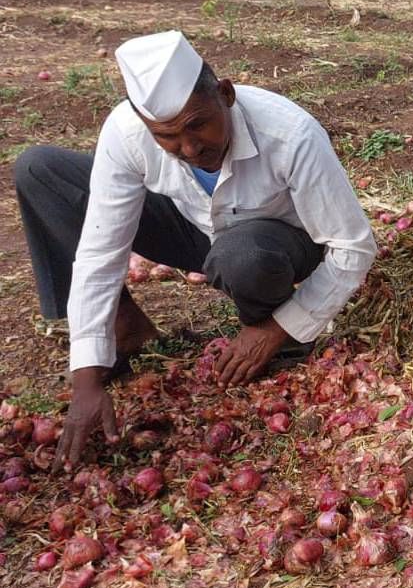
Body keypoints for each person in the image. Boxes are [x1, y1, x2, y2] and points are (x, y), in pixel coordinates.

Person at [13, 30, 377, 470]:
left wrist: (278, 327)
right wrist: (86, 378)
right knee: (41, 171)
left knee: (242, 255)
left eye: (197, 125)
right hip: (195, 229)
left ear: (225, 94)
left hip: (278, 245)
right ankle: (124, 327)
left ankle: (269, 328)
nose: (188, 148)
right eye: (167, 137)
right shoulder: (128, 133)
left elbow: (353, 247)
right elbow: (99, 250)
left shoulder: (290, 134)